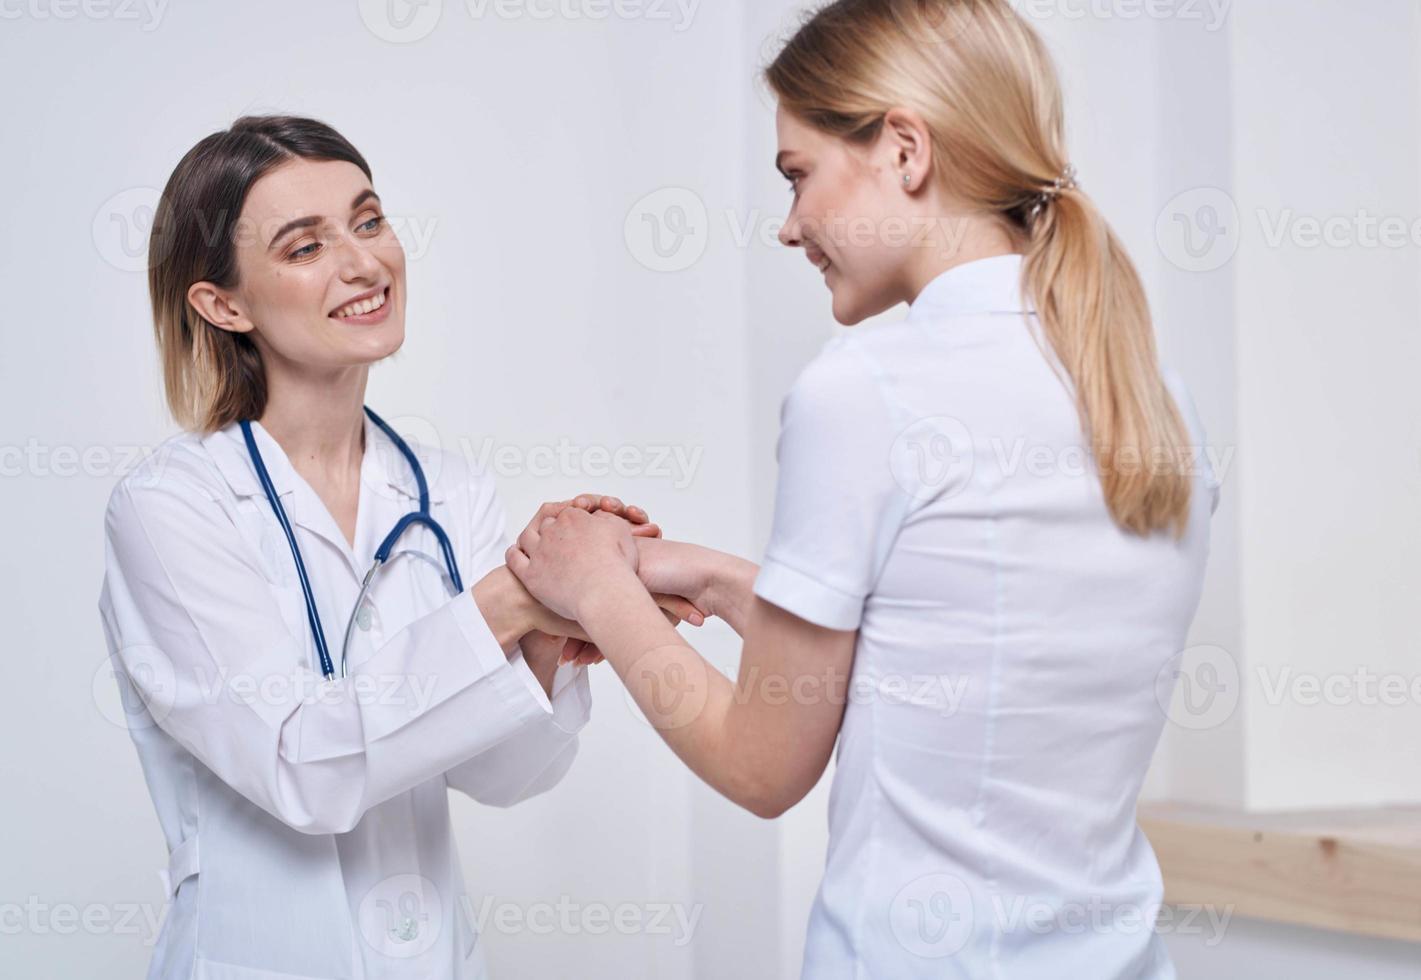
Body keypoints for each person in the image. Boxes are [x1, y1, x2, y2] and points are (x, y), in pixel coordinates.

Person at [507, 1, 1220, 977]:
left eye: (797, 174)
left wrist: (601, 590)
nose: (790, 225)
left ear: (902, 150)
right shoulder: (1147, 396)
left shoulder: (868, 387)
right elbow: (956, 660)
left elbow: (761, 765)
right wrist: (708, 577)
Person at [97, 115, 698, 980]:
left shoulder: (448, 491)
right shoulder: (170, 510)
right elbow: (299, 769)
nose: (362, 264)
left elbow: (504, 774)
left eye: (368, 221)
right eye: (306, 248)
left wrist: (548, 637)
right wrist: (511, 601)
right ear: (223, 304)